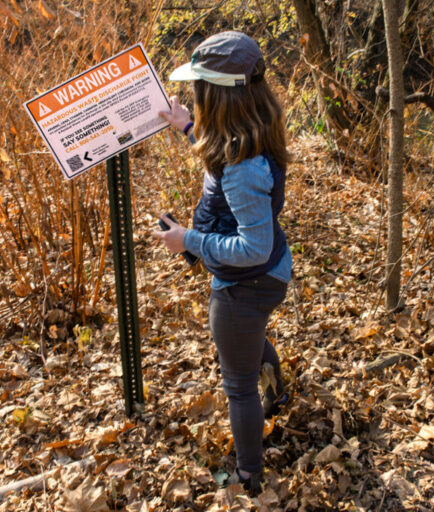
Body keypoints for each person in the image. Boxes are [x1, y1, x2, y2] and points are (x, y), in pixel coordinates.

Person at [152, 31, 292, 495]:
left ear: (218, 96)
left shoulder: (242, 165)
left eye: (199, 91)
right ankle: (280, 390)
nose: (195, 95)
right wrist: (188, 126)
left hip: (246, 283)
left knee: (237, 384)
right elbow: (224, 162)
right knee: (251, 339)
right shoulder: (251, 131)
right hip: (268, 273)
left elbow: (251, 246)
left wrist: (187, 239)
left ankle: (249, 475)